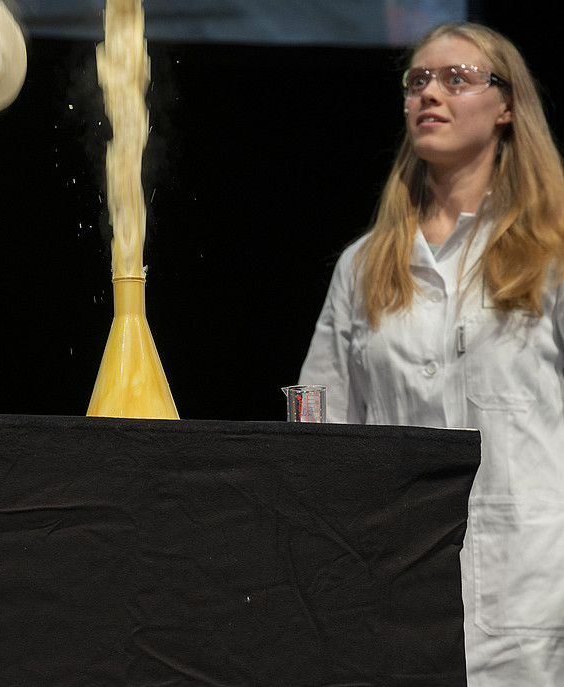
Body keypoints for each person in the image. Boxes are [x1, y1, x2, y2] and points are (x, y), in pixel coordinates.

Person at [298, 22, 564, 686]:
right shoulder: (363, 266)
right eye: (416, 80)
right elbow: (320, 430)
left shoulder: (553, 252)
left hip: (531, 583)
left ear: (505, 107)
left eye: (455, 78)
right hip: (393, 583)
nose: (429, 94)